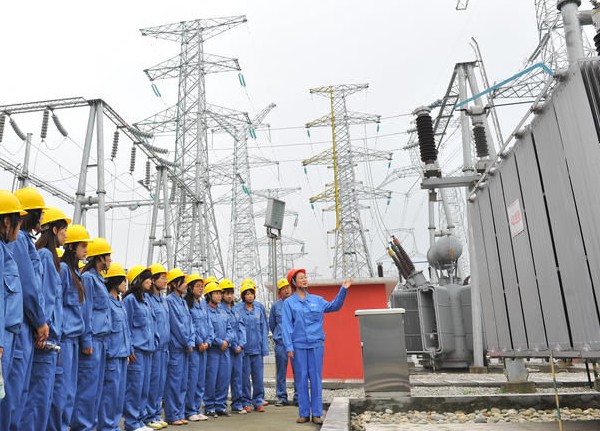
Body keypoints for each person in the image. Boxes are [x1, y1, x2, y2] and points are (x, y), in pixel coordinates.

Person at [1, 187, 48, 430]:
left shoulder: (19, 242)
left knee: (17, 394)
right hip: (16, 331)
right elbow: (28, 287)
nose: (42, 219)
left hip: (18, 330)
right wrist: (40, 321)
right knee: (12, 395)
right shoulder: (18, 242)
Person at [20, 207, 70, 430]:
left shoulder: (50, 257)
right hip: (45, 337)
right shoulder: (45, 256)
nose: (66, 235)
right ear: (55, 230)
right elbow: (44, 297)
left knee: (46, 398)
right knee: (37, 400)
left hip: (51, 336)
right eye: (64, 230)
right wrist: (44, 327)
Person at [282, 268, 351, 425]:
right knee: (301, 379)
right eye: (301, 278)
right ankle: (304, 413)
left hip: (316, 345)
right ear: (294, 282)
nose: (305, 279)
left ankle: (317, 414)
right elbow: (286, 326)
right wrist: (289, 346)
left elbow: (334, 306)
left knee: (315, 378)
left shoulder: (317, 300)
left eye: (305, 277)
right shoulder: (289, 303)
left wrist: (343, 290)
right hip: (298, 346)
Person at [48, 224, 91, 431]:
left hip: (74, 338)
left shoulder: (77, 273)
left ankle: (65, 426)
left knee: (71, 389)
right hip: (64, 338)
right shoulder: (64, 270)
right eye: (83, 246)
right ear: (72, 247)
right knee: (62, 389)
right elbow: (57, 303)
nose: (86, 251)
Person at [71, 237, 113, 431]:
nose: (110, 260)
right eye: (108, 257)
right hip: (93, 340)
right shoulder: (88, 278)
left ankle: (91, 425)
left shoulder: (99, 279)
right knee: (87, 389)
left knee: (97, 388)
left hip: (101, 340)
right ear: (100, 258)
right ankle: (83, 427)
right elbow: (86, 310)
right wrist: (86, 340)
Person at [0, 190, 27, 427]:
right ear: (7, 222)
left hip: (9, 336)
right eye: (18, 221)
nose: (20, 227)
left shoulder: (4, 250)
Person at [98, 262, 132, 431]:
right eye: (123, 280)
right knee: (109, 394)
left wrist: (128, 350)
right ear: (115, 281)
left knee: (118, 394)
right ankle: (106, 426)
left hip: (122, 354)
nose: (125, 284)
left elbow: (125, 329)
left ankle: (113, 425)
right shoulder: (107, 302)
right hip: (112, 354)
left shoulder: (120, 303)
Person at [122, 265, 156, 431]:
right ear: (138, 280)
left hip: (147, 350)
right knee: (134, 388)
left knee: (144, 387)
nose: (150, 281)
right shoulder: (130, 300)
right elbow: (126, 326)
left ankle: (140, 420)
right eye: (147, 278)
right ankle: (131, 422)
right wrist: (129, 348)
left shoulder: (145, 299)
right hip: (137, 351)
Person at [164, 268, 194, 426]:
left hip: (185, 348)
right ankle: (172, 414)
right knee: (174, 383)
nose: (186, 285)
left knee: (183, 382)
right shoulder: (170, 301)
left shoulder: (182, 301)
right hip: (177, 347)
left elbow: (189, 323)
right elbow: (177, 325)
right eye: (183, 282)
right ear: (175, 284)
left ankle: (179, 413)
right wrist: (187, 342)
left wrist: (191, 340)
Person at [143, 263, 170, 430]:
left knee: (160, 384)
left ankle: (155, 415)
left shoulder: (163, 301)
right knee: (152, 384)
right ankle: (149, 415)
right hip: (154, 348)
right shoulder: (148, 300)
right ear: (153, 280)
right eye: (162, 278)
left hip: (164, 348)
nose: (165, 281)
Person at [236, 279, 269, 413]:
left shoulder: (259, 309)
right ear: (243, 296)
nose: (250, 296)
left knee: (258, 378)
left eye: (251, 294)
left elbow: (264, 329)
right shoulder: (238, 309)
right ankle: (245, 401)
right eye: (247, 294)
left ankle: (258, 401)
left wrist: (264, 348)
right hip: (244, 351)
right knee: (244, 378)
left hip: (257, 350)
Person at [184, 273, 213, 422]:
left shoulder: (202, 305)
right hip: (195, 348)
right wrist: (199, 342)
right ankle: (189, 410)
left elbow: (209, 324)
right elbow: (190, 326)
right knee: (192, 379)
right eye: (197, 286)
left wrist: (208, 341)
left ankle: (196, 408)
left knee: (201, 379)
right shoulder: (187, 304)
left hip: (204, 347)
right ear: (190, 288)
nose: (201, 289)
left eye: (202, 287)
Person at [203, 281, 233, 418]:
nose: (219, 296)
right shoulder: (206, 311)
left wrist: (227, 340)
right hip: (213, 350)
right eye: (216, 293)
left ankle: (221, 405)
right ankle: (210, 406)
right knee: (211, 379)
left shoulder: (222, 311)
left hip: (225, 350)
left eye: (220, 293)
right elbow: (208, 331)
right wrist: (219, 342)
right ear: (209, 295)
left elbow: (230, 329)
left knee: (224, 378)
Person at [269, 277, 297, 407]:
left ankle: (298, 397)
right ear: (279, 292)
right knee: (281, 372)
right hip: (281, 343)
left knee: (298, 371)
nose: (286, 290)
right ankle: (281, 397)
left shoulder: (296, 303)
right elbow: (272, 324)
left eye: (287, 287)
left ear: (291, 288)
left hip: (295, 342)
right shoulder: (276, 306)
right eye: (283, 289)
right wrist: (279, 335)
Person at [220, 279, 245, 415]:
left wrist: (241, 344)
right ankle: (221, 404)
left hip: (238, 349)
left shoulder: (235, 310)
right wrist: (234, 345)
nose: (230, 296)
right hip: (227, 349)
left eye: (231, 293)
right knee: (224, 378)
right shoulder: (220, 310)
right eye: (227, 293)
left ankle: (237, 403)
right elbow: (225, 330)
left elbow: (241, 328)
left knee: (238, 377)